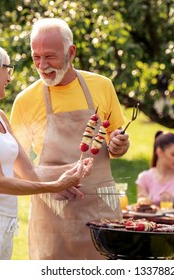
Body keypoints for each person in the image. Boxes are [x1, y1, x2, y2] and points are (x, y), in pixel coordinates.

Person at [0, 41, 92, 260]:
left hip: (3, 224)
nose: (10, 76)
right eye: (8, 68)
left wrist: (73, 169)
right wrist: (54, 186)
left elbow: (28, 170)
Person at [9, 18, 130, 260]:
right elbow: (14, 163)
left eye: (50, 57)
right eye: (36, 57)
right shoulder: (25, 100)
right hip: (53, 210)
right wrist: (48, 182)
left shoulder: (102, 86)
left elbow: (117, 142)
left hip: (100, 209)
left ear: (71, 52)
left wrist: (120, 144)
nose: (42, 66)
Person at [136, 131, 174, 208]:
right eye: (173, 154)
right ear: (159, 152)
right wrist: (147, 203)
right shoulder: (144, 178)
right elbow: (141, 206)